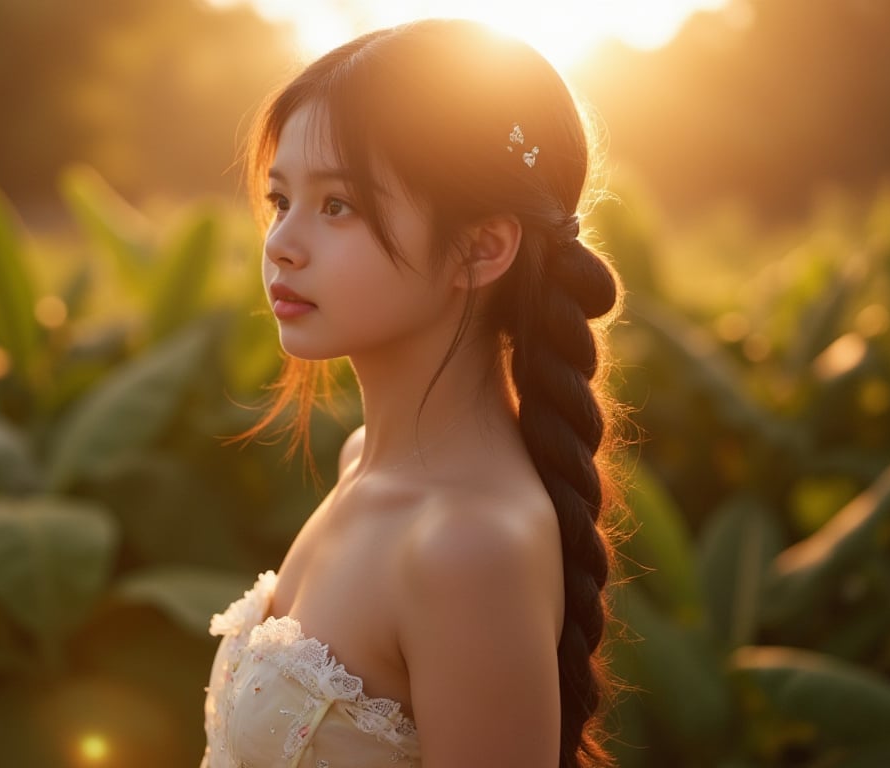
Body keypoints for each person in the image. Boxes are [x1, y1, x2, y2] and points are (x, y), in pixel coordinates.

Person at [201, 17, 624, 768]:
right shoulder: (363, 460)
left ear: (482, 247)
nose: (281, 244)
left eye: (337, 205)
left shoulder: (467, 548)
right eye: (279, 200)